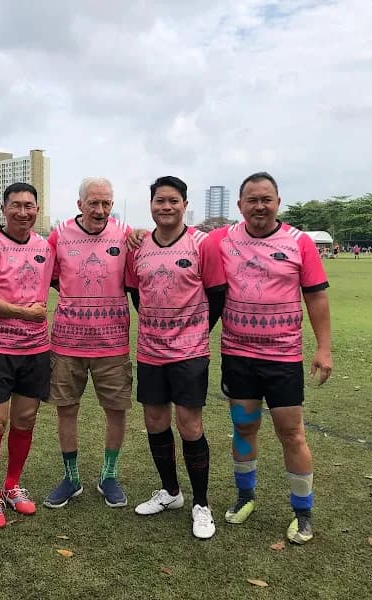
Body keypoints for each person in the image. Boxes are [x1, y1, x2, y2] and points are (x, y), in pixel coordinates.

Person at [209, 171, 332, 545]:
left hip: (283, 357)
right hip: (238, 356)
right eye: (252, 200)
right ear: (240, 205)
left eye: (266, 199)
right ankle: (245, 496)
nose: (259, 206)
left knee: (291, 433)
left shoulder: (299, 242)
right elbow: (179, 239)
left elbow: (316, 296)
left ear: (278, 202)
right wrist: (137, 234)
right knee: (244, 427)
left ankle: (303, 512)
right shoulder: (220, 240)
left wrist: (324, 348)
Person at [125, 175, 226, 540]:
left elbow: (217, 293)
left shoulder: (202, 243)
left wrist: (195, 330)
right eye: (159, 200)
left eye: (173, 200)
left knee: (190, 424)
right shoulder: (138, 246)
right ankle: (170, 492)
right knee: (155, 420)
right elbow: (135, 292)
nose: (166, 206)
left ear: (185, 204)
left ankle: (201, 504)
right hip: (150, 350)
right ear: (151, 205)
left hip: (190, 352)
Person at [0, 182, 54, 529]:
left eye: (29, 206)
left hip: (36, 349)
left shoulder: (45, 247)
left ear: (37, 210)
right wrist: (23, 313)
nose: (23, 212)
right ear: (3, 209)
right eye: (15, 205)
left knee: (26, 420)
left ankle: (12, 485)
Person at [43, 177, 132, 510]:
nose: (100, 209)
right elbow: (52, 277)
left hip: (113, 343)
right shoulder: (59, 235)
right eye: (93, 203)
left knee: (116, 411)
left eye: (106, 203)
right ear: (80, 204)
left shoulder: (125, 235)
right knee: (67, 409)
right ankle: (71, 478)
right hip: (68, 342)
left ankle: (109, 476)